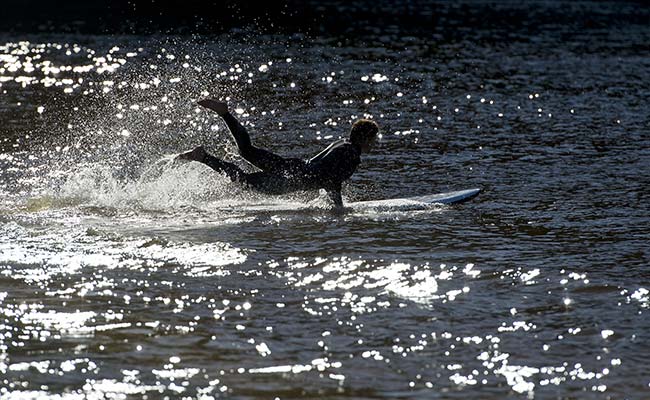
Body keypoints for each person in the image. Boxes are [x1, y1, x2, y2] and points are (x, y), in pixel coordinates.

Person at [176, 99, 379, 207]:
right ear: (364, 138)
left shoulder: (342, 143)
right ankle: (203, 156)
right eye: (373, 139)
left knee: (246, 150)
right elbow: (331, 180)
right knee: (244, 181)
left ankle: (224, 113)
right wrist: (338, 209)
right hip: (291, 179)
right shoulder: (352, 155)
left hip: (291, 167)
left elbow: (325, 175)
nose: (374, 144)